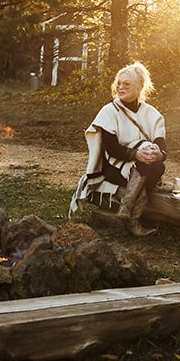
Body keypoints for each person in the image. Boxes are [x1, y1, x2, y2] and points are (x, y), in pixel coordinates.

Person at [70, 61, 168, 237]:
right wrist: (136, 154)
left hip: (142, 166)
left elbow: (161, 145)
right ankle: (132, 218)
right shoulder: (109, 111)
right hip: (114, 167)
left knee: (158, 164)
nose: (120, 88)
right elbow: (112, 149)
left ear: (139, 87)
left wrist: (158, 154)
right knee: (148, 162)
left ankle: (128, 211)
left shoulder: (151, 113)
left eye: (126, 84)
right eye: (119, 84)